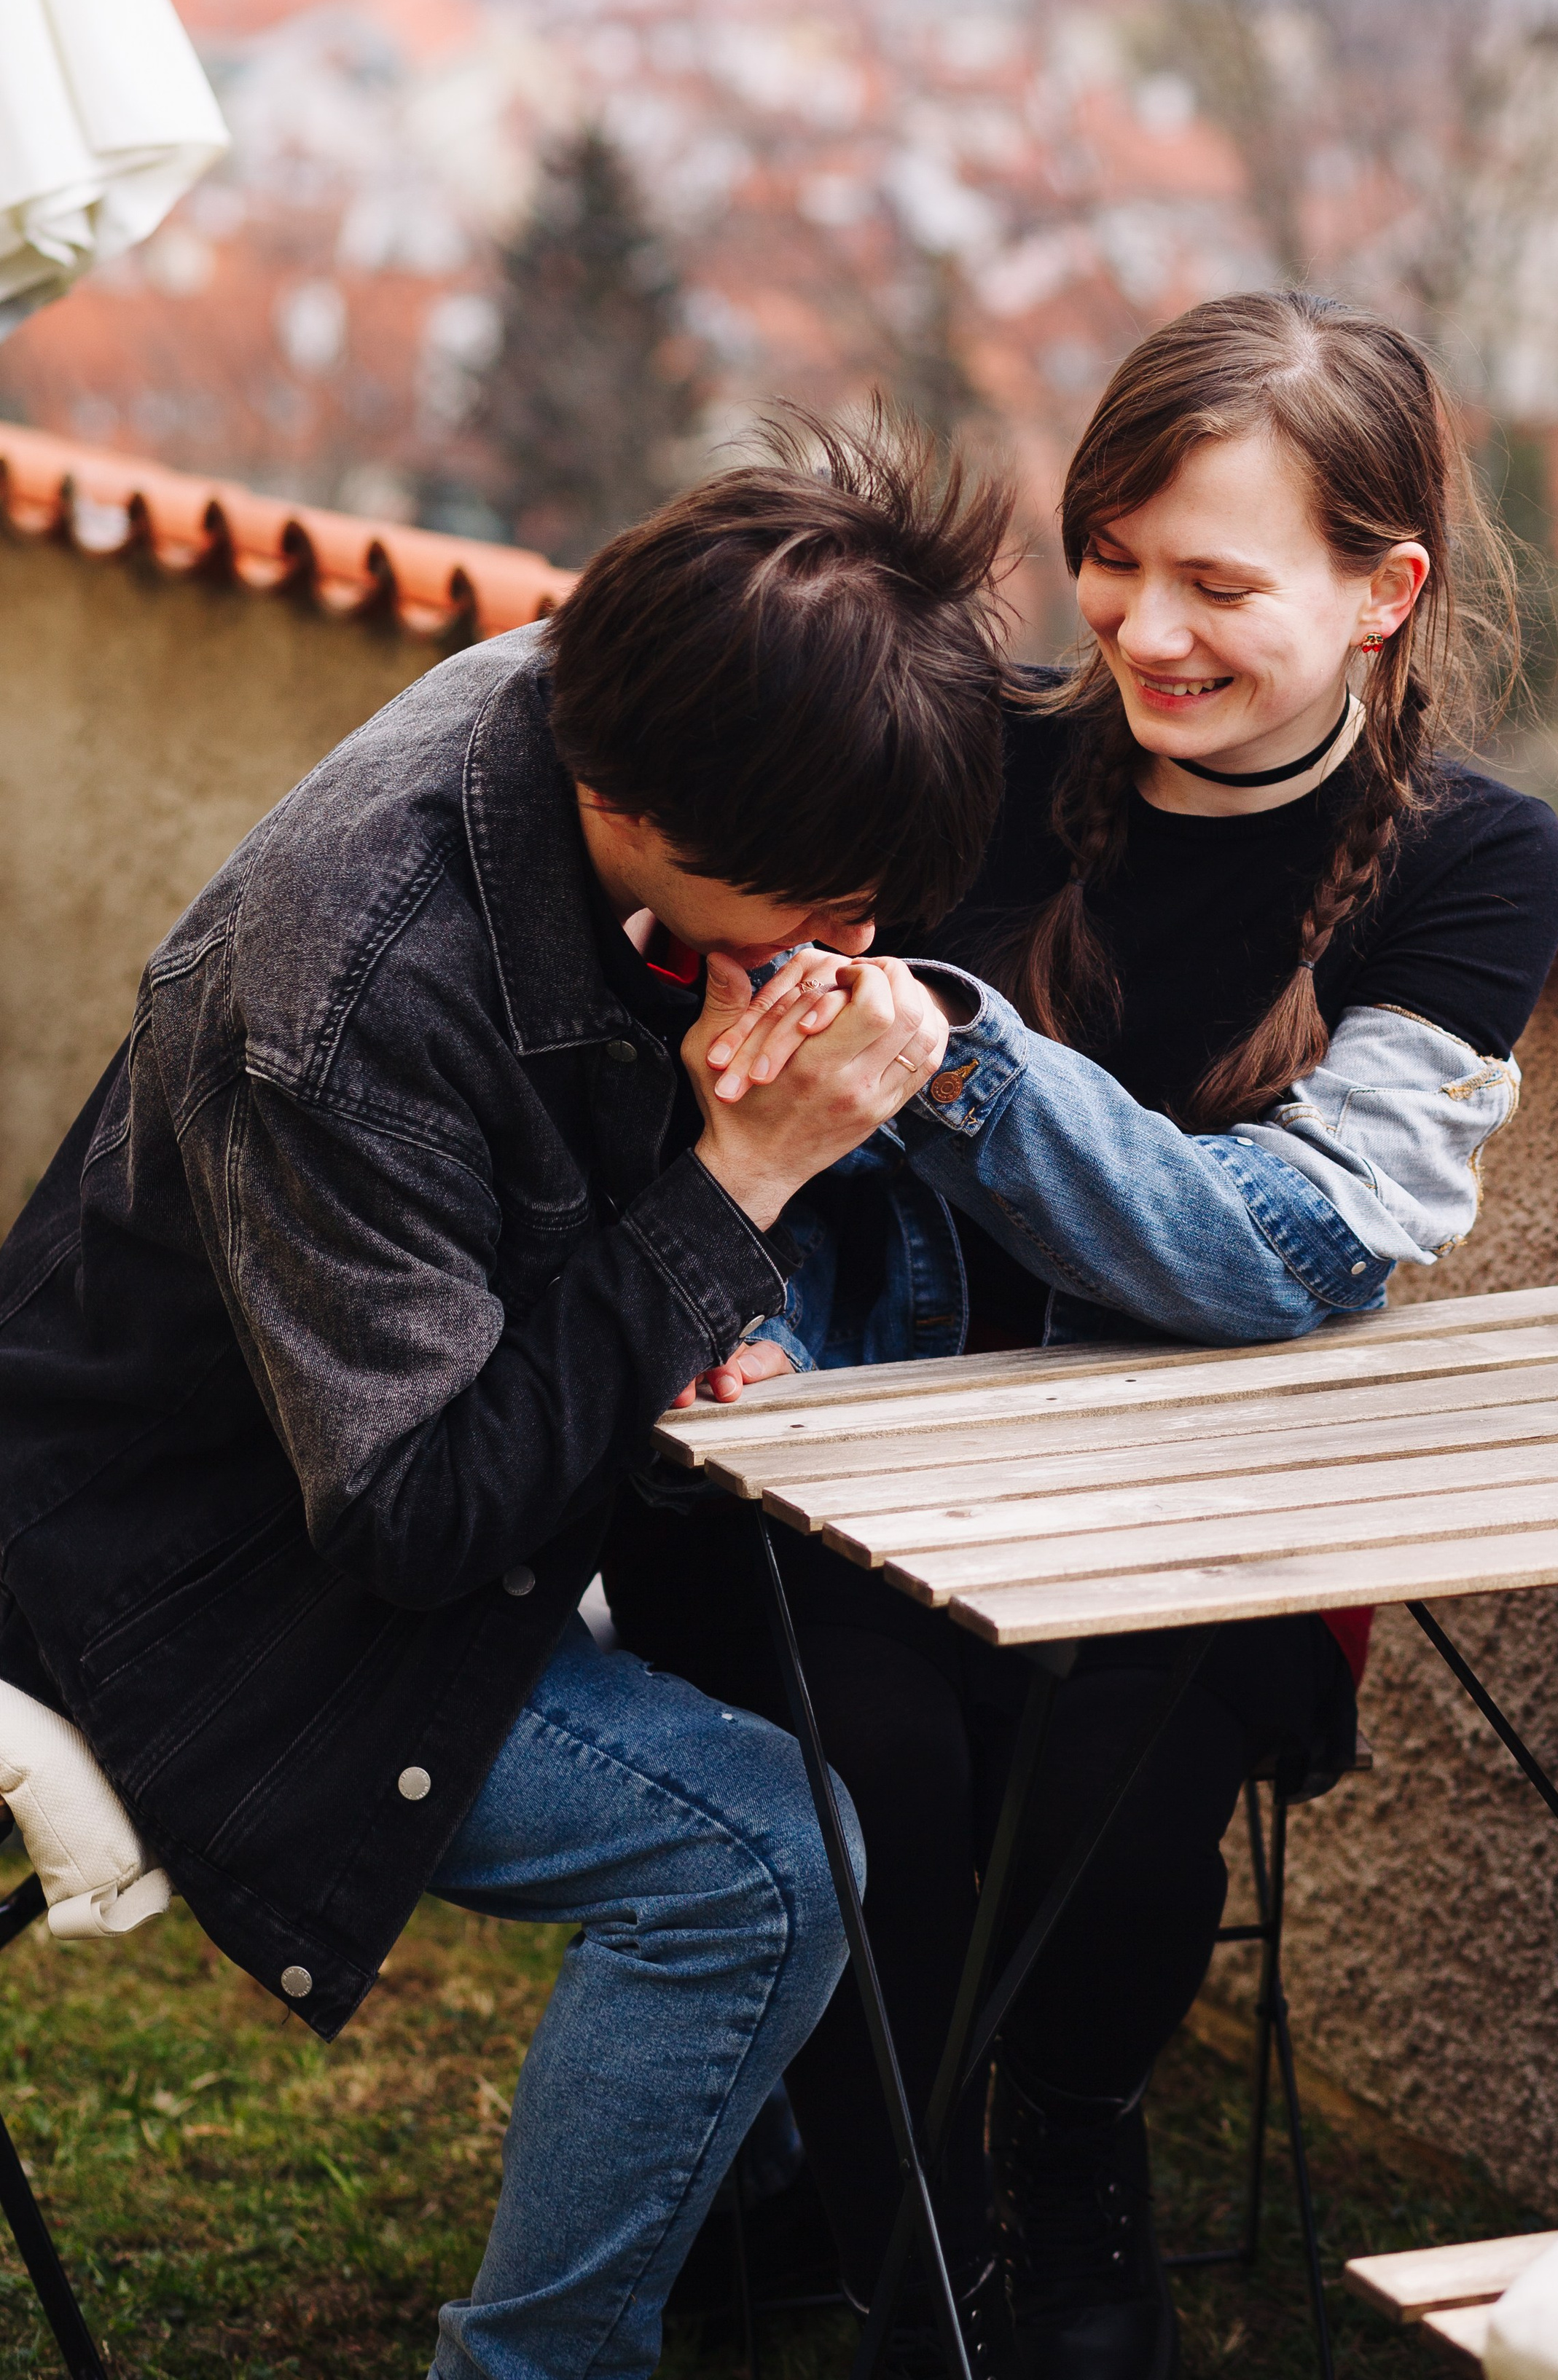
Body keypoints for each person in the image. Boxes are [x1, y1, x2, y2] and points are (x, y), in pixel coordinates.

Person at [607, 294, 1558, 2380]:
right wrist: (735, 1254)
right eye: (1113, 556)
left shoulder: (1473, 863)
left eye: (1218, 580)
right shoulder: (966, 752)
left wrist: (964, 1060)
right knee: (867, 1746)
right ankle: (921, 2252)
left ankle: (1071, 2163)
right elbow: (725, 1061)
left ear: (1383, 589)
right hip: (855, 1456)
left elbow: (1297, 1247)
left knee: (1114, 1779)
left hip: (1196, 1514)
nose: (1145, 628)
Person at [0, 417, 1015, 2380]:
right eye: (822, 898)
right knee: (759, 1853)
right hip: (179, 1580)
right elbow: (410, 1513)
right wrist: (733, 1189)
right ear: (641, 797)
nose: (852, 950)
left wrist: (669, 1260)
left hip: (351, 1479)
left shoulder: (592, 713)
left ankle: (817, 2225)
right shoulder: (352, 980)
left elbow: (511, 1212)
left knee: (889, 1683)